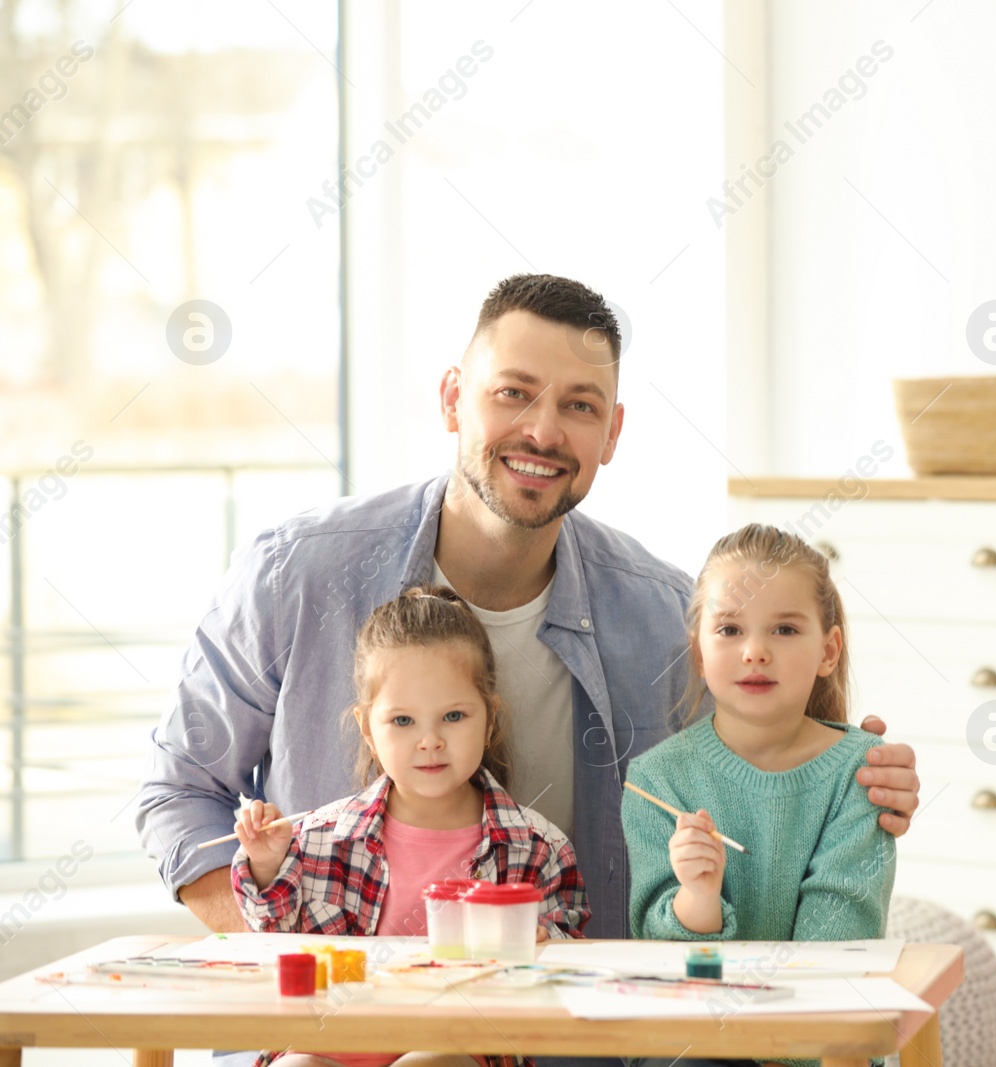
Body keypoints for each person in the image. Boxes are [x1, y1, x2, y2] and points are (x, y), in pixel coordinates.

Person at [134, 274, 922, 1066]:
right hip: (328, 1036)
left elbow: (750, 780)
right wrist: (325, 982)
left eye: (579, 405)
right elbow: (177, 795)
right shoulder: (296, 574)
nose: (543, 431)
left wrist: (854, 768)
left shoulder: (664, 615)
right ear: (452, 399)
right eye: (513, 392)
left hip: (577, 1046)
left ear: (611, 434)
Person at [232, 585, 584, 1067]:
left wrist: (543, 947)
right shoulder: (318, 838)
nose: (430, 741)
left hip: (458, 1046)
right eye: (402, 721)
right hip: (328, 1044)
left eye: (454, 716)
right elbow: (271, 938)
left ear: (489, 720)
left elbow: (573, 972)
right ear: (367, 730)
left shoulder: (536, 848)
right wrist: (267, 865)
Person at [622, 525, 894, 1067]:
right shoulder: (656, 780)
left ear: (829, 649)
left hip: (819, 1043)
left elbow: (840, 942)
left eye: (786, 630)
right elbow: (667, 966)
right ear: (699, 652)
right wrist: (698, 899)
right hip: (696, 1041)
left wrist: (775, 1051)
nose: (754, 652)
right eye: (728, 629)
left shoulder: (861, 772)